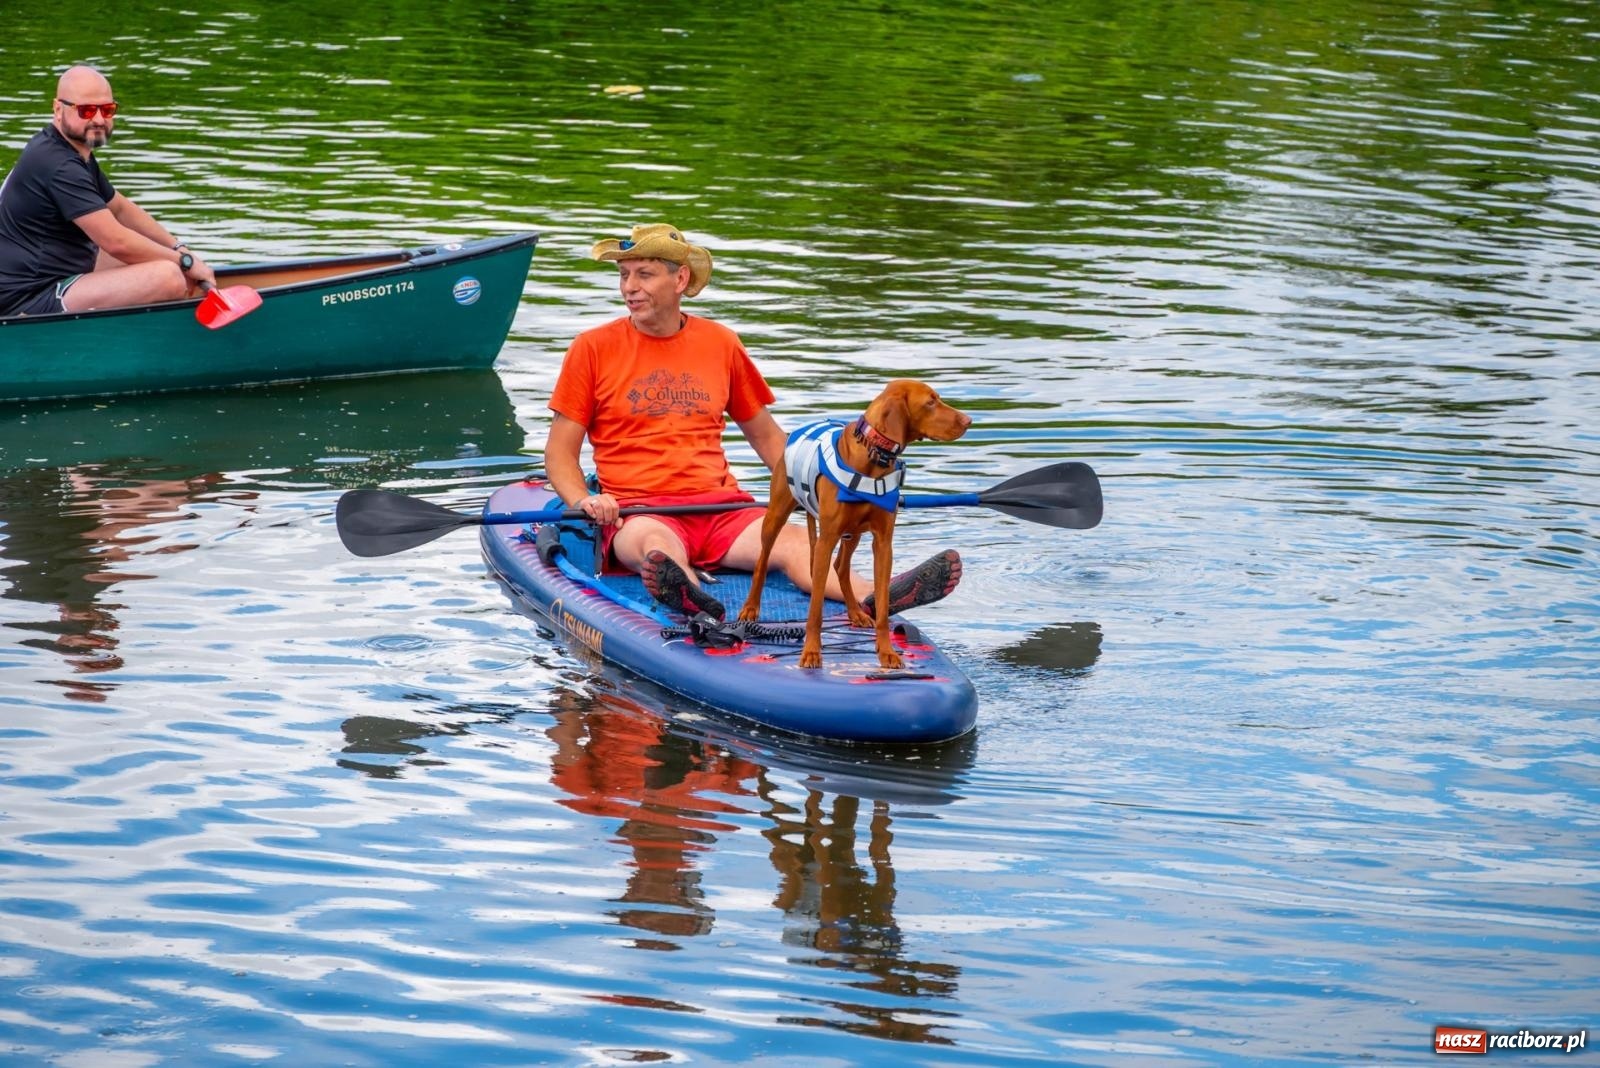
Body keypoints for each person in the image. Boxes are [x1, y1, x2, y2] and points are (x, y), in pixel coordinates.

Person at [544, 222, 961, 619]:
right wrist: (585, 501)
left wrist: (836, 484)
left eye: (645, 274)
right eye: (624, 275)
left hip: (723, 509)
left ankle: (879, 596)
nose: (630, 287)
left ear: (680, 279)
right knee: (657, 549)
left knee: (796, 540)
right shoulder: (592, 348)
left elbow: (768, 439)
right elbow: (560, 453)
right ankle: (696, 605)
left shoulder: (720, 343)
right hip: (641, 512)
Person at [0, 64, 216, 319]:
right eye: (87, 110)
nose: (99, 120)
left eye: (107, 109)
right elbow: (117, 242)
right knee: (168, 276)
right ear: (58, 109)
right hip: (25, 299)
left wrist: (180, 248)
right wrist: (184, 264)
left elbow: (121, 208)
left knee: (159, 261)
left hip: (52, 276)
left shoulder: (70, 152)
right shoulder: (58, 165)